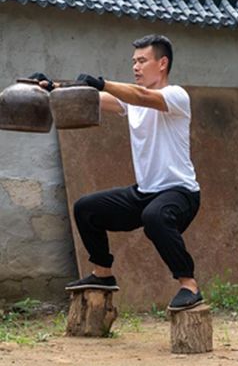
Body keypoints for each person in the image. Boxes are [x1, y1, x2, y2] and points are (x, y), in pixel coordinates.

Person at [35, 34, 203, 310]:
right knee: (87, 208)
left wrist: (103, 82)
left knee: (154, 217)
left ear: (162, 63)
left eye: (142, 61)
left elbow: (142, 96)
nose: (135, 67)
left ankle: (189, 285)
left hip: (180, 193)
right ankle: (103, 273)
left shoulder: (176, 96)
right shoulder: (131, 102)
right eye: (133, 62)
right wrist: (52, 86)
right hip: (144, 192)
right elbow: (92, 97)